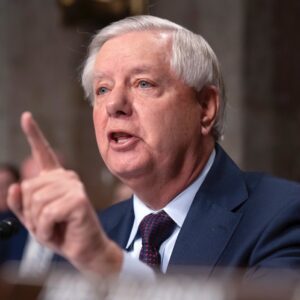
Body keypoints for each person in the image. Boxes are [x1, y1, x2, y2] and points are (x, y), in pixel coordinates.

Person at [6, 15, 300, 282]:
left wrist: (109, 265)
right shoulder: (90, 235)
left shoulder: (281, 215)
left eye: (143, 84)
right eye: (103, 89)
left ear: (206, 107)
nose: (114, 105)